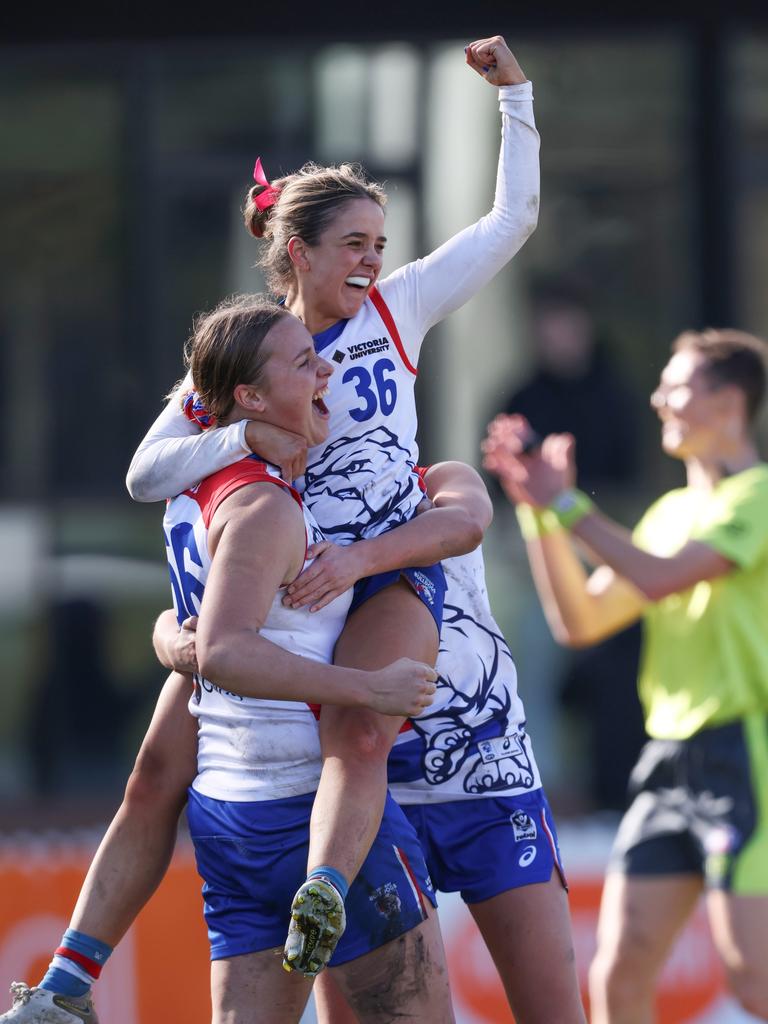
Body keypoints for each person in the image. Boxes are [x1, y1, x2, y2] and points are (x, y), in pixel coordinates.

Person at [124, 33, 539, 973]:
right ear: (294, 251)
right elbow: (146, 475)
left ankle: (327, 891)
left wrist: (516, 97)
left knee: (357, 734)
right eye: (352, 244)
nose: (371, 261)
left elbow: (512, 219)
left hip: (375, 575)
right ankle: (71, 976)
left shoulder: (400, 307)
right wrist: (248, 435)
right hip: (281, 585)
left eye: (380, 244)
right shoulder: (248, 351)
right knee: (154, 773)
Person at [3, 295, 454, 1024]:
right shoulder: (264, 506)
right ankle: (68, 983)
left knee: (148, 783)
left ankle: (66, 980)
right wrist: (369, 687)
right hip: (310, 803)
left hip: (227, 813)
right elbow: (225, 648)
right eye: (305, 362)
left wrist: (169, 639)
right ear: (247, 397)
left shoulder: (189, 486)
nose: (327, 371)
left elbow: (199, 636)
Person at [483, 328, 768, 1023]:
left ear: (729, 402)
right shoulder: (671, 513)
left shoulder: (758, 496)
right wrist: (539, 516)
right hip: (669, 764)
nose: (658, 398)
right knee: (618, 969)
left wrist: (568, 505)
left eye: (676, 385)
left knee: (752, 976)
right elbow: (580, 622)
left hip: (746, 758)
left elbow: (659, 577)